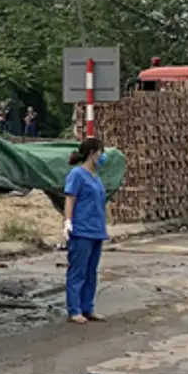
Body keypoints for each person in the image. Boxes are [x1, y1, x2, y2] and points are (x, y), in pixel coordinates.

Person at [62, 138, 110, 324]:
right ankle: (74, 309)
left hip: (96, 230)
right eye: (101, 151)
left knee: (91, 271)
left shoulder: (96, 177)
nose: (103, 156)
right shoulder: (77, 174)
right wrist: (68, 221)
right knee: (78, 271)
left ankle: (88, 307)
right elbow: (70, 198)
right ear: (92, 153)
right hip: (82, 230)